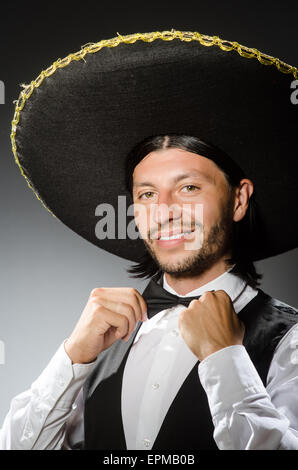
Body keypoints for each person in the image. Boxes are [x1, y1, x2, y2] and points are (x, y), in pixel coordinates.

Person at [1, 30, 298, 450]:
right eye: (147, 194)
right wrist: (72, 358)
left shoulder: (291, 340)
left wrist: (224, 360)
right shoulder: (105, 337)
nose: (166, 210)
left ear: (238, 199)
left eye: (189, 188)